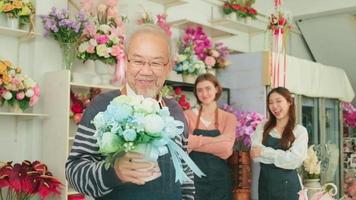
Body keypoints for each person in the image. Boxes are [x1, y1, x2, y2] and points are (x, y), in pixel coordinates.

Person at [65, 24, 195, 200]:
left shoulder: (174, 110)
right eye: (138, 61)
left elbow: (184, 172)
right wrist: (114, 172)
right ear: (126, 61)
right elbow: (74, 170)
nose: (146, 71)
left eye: (156, 63)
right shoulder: (102, 106)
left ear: (168, 66)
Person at [184, 73, 237, 200]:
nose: (204, 93)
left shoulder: (229, 118)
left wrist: (196, 141)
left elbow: (225, 150)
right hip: (193, 180)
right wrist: (217, 140)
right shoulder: (187, 115)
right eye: (199, 90)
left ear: (216, 89)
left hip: (220, 180)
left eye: (208, 88)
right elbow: (186, 143)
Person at [250, 87, 308, 200]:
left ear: (289, 102)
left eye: (278, 101)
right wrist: (283, 157)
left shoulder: (299, 131)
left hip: (289, 187)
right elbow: (255, 156)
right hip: (265, 184)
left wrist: (263, 152)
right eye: (270, 102)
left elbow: (294, 161)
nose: (274, 106)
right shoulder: (263, 126)